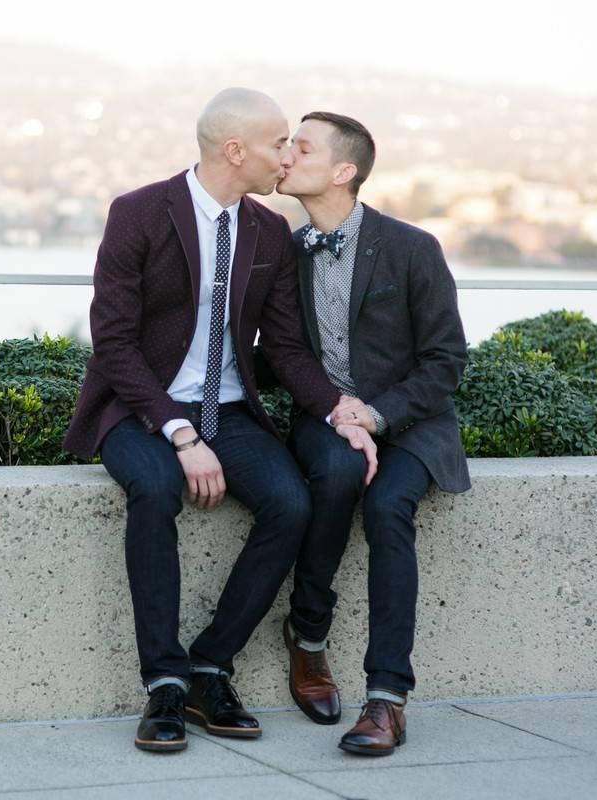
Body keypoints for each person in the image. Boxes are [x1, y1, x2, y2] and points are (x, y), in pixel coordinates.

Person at [64, 89, 377, 753]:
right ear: (235, 151)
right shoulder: (140, 213)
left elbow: (286, 347)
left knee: (291, 504)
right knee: (154, 490)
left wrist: (337, 409)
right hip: (140, 407)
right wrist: (178, 434)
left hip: (229, 409)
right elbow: (113, 342)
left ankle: (209, 665)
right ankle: (164, 686)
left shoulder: (269, 231)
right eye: (277, 144)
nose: (286, 156)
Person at [271, 111, 470, 756]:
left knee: (387, 508)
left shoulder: (412, 248)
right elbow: (277, 352)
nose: (285, 157)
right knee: (336, 471)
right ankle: (307, 636)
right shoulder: (283, 253)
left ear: (342, 171)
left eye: (300, 148)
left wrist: (375, 415)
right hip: (325, 420)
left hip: (409, 424)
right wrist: (336, 409)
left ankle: (386, 700)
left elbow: (446, 360)